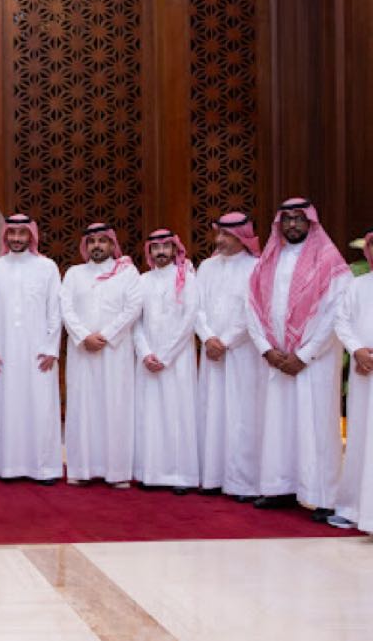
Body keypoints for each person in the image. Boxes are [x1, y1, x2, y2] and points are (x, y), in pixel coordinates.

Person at [247, 197, 352, 520]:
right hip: (277, 359)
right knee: (278, 424)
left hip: (314, 362)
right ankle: (280, 487)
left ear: (311, 222)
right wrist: (266, 349)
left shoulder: (330, 262)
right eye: (287, 219)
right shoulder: (267, 262)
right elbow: (251, 306)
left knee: (316, 426)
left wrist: (304, 355)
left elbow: (336, 315)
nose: (292, 224)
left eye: (299, 218)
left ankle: (322, 496)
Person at [0, 214, 63, 484]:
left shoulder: (47, 267)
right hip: (1, 352)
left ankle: (43, 469)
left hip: (38, 352)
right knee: (2, 407)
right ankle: (2, 465)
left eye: (22, 233)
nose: (16, 238)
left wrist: (51, 348)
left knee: (40, 407)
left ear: (31, 236)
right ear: (5, 236)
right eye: (11, 233)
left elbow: (55, 310)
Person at [61, 222, 142, 487]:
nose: (97, 245)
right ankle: (82, 470)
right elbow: (66, 308)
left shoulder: (127, 272)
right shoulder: (74, 273)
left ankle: (117, 472)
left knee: (116, 407)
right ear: (86, 246)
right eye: (92, 241)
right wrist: (84, 335)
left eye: (102, 240)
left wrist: (105, 335)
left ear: (111, 244)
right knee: (82, 408)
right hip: (82, 351)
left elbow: (133, 308)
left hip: (115, 351)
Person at [196, 212, 263, 500]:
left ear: (242, 237)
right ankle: (211, 477)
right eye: (219, 233)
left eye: (227, 235)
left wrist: (224, 341)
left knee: (241, 415)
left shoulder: (256, 268)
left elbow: (253, 313)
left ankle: (242, 483)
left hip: (242, 353)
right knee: (211, 411)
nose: (220, 240)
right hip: (211, 351)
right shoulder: (206, 267)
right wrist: (208, 337)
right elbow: (195, 307)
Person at [132, 228, 199, 494]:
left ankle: (181, 476)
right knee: (149, 416)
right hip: (148, 360)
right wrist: (145, 352)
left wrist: (166, 355)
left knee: (177, 415)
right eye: (155, 248)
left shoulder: (188, 279)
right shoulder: (142, 280)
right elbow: (135, 321)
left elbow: (189, 319)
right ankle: (150, 473)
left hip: (178, 359)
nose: (161, 252)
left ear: (174, 249)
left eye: (165, 247)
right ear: (149, 251)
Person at [330, 227, 373, 530]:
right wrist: (357, 350)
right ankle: (355, 508)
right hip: (364, 373)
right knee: (359, 438)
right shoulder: (357, 286)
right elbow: (341, 320)